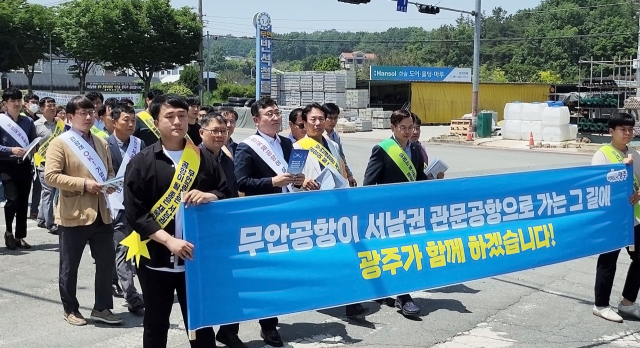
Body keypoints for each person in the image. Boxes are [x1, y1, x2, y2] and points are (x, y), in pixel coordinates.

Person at [125, 94, 228, 348]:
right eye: (169, 116)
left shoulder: (203, 158)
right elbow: (136, 213)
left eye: (182, 116)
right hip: (156, 259)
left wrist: (210, 195)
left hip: (196, 260)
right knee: (156, 325)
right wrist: (169, 241)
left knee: (201, 325)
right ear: (155, 121)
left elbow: (225, 191)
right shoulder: (142, 162)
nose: (177, 122)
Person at [44, 96, 122, 326]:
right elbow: (51, 176)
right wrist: (83, 184)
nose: (88, 117)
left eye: (91, 113)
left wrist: (110, 183)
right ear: (70, 117)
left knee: (106, 262)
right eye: (82, 113)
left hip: (102, 212)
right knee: (70, 265)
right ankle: (70, 308)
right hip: (74, 212)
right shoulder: (61, 143)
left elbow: (108, 170)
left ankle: (102, 307)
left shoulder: (101, 142)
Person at [234, 97, 305, 347]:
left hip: (287, 214)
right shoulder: (247, 147)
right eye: (269, 114)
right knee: (265, 272)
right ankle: (268, 324)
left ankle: (274, 316)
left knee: (282, 270)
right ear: (256, 119)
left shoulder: (288, 143)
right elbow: (241, 183)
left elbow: (294, 177)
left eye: (277, 112)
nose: (275, 117)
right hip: (261, 218)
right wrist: (272, 182)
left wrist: (298, 180)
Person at [363, 110, 428, 317]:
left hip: (410, 212)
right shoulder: (382, 150)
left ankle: (387, 290)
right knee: (396, 253)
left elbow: (419, 179)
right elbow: (369, 183)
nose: (409, 132)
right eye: (403, 127)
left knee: (405, 251)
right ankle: (404, 297)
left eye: (411, 127)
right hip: (387, 213)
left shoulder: (416, 149)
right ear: (393, 128)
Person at [198, 112, 246, 348]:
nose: (219, 135)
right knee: (205, 290)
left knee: (231, 285)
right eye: (214, 131)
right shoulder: (192, 158)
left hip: (226, 231)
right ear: (201, 132)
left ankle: (229, 331)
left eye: (223, 131)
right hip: (201, 235)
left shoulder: (227, 159)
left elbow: (230, 192)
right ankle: (205, 337)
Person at [591, 112, 640, 323]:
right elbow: (597, 186)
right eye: (623, 129)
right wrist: (623, 168)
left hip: (634, 217)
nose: (627, 133)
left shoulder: (635, 154)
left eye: (630, 129)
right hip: (611, 219)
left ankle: (627, 303)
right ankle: (600, 305)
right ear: (611, 132)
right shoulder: (602, 155)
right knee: (608, 260)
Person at [106, 104, 145, 313]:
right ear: (114, 122)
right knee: (122, 250)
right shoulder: (104, 145)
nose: (131, 124)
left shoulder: (140, 143)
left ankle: (129, 288)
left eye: (133, 120)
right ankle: (131, 294)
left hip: (137, 206)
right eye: (126, 120)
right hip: (115, 206)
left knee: (136, 250)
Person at [0, 87, 38, 250]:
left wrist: (34, 148)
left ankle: (20, 236)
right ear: (5, 103)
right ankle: (8, 232)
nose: (16, 104)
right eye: (12, 101)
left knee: (23, 202)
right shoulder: (1, 121)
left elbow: (33, 141)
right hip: (7, 166)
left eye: (18, 100)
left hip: (24, 166)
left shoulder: (28, 121)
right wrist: (10, 150)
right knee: (12, 200)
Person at [293, 103, 349, 190]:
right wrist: (303, 182)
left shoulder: (334, 146)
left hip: (333, 197)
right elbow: (292, 180)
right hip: (311, 198)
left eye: (321, 119)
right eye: (313, 119)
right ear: (305, 123)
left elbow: (339, 174)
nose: (318, 123)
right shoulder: (297, 148)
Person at [34, 97, 63, 235]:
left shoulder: (60, 125)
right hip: (43, 163)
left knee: (50, 193)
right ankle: (50, 223)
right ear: (41, 108)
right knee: (48, 193)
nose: (52, 108)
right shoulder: (36, 125)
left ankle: (41, 218)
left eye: (53, 105)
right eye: (48, 105)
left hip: (57, 164)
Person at [323, 103, 357, 187]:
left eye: (335, 118)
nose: (333, 121)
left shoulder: (336, 136)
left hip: (336, 177)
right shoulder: (318, 136)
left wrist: (349, 175)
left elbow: (341, 157)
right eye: (330, 118)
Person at [411, 115, 444, 180]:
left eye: (417, 128)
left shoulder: (421, 147)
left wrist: (436, 176)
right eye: (412, 128)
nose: (415, 132)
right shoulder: (403, 149)